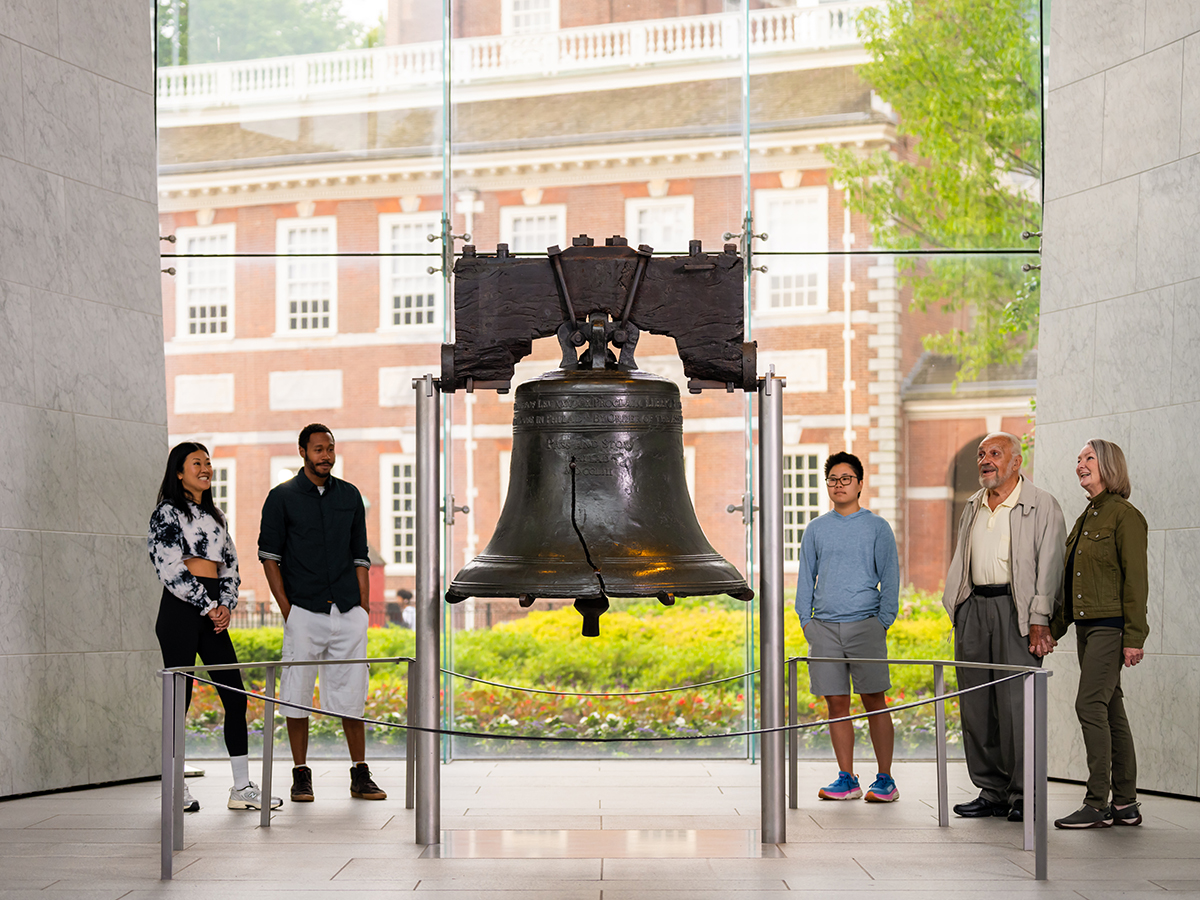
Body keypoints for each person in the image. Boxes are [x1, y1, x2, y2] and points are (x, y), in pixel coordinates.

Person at [148, 442, 281, 812]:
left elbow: (230, 565)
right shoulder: (167, 513)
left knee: (235, 695)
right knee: (181, 701)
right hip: (179, 610)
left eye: (208, 463)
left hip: (212, 611)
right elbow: (169, 567)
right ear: (179, 472)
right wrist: (208, 605)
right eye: (196, 463)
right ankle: (175, 788)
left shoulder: (217, 516)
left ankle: (242, 789)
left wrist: (224, 604)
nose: (205, 468)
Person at [258, 424, 386, 803]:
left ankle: (360, 774)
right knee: (296, 694)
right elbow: (269, 557)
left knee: (353, 693)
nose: (325, 455)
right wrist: (288, 610)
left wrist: (362, 608)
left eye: (330, 448)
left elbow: (360, 555)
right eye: (318, 449)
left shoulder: (349, 495)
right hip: (304, 611)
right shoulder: (280, 498)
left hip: (348, 611)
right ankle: (301, 775)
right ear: (302, 452)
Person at [942, 432, 1065, 822]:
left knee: (1017, 707)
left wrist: (1039, 618)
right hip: (974, 609)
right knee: (976, 706)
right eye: (981, 454)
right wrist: (958, 608)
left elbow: (1050, 566)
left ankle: (1023, 795)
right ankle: (991, 790)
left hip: (1017, 611)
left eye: (995, 453)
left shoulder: (1041, 504)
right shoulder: (973, 505)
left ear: (1016, 462)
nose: (985, 460)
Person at [1051, 440, 1148, 829]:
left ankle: (1097, 803)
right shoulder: (1087, 516)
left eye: (1088, 458)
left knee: (1089, 705)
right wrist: (1051, 630)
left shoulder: (1124, 516)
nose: (1080, 464)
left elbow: (1136, 582)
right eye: (1078, 459)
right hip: (1088, 627)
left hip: (1111, 627)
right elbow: (1073, 582)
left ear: (1109, 465)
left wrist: (1135, 636)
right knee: (1110, 708)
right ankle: (1125, 804)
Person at [796, 452, 901, 803]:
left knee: (875, 701)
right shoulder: (816, 529)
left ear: (859, 483)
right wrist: (807, 622)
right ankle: (847, 778)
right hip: (823, 628)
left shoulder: (877, 528)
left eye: (846, 479)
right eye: (833, 480)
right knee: (836, 704)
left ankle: (885, 779)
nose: (838, 485)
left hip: (866, 625)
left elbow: (890, 578)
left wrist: (882, 622)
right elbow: (804, 579)